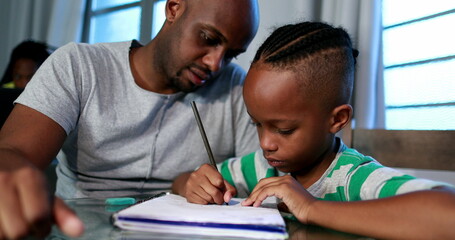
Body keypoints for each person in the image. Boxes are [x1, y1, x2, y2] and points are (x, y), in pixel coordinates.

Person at [0, 0, 259, 238]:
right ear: (173, 8)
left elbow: (262, 177)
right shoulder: (79, 66)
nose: (215, 64)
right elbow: (13, 151)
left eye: (231, 54)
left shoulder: (236, 87)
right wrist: (11, 173)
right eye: (209, 37)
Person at [172, 21, 455, 239]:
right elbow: (181, 182)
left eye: (283, 129)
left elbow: (448, 213)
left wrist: (310, 207)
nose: (265, 143)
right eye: (256, 124)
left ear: (337, 119)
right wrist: (195, 185)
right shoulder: (261, 169)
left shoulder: (354, 178)